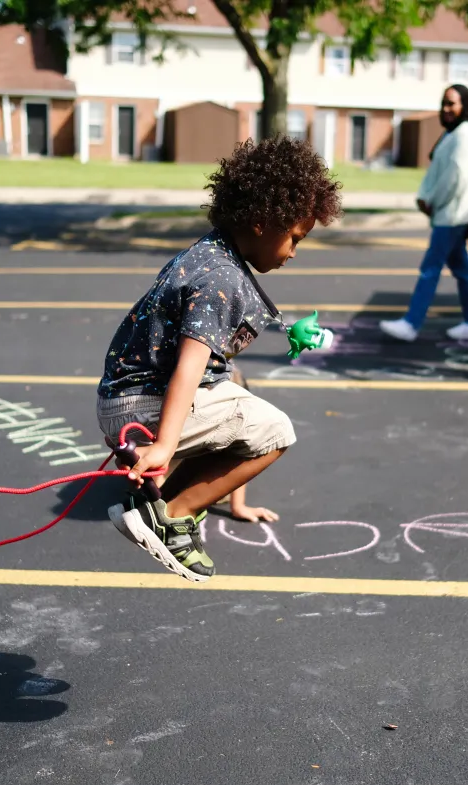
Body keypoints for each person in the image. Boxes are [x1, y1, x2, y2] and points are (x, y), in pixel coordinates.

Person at [96, 136, 342, 582]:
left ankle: (155, 506)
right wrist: (165, 446)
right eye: (295, 238)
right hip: (142, 407)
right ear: (265, 221)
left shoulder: (211, 253)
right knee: (275, 430)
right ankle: (168, 515)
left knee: (237, 397)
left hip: (127, 398)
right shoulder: (221, 278)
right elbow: (190, 364)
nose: (294, 253)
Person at [380, 84, 468, 343]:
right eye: (444, 103)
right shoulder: (457, 133)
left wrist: (431, 201)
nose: (446, 108)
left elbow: (454, 178)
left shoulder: (464, 134)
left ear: (466, 105)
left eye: (452, 103)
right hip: (450, 214)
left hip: (451, 215)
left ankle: (411, 323)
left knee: (430, 268)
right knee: (461, 269)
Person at [155, 364, 279, 524]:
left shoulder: (233, 406)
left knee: (243, 437)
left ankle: (169, 499)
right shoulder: (189, 403)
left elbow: (244, 446)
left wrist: (239, 506)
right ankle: (168, 501)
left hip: (188, 475)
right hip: (179, 477)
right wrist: (157, 498)